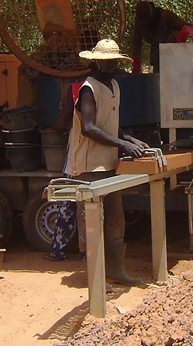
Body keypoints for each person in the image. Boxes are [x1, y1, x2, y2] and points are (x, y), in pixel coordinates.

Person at [62, 38, 149, 284]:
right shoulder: (88, 88)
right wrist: (123, 144)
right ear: (96, 61)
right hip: (89, 167)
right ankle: (96, 280)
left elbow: (109, 126)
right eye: (107, 61)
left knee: (115, 220)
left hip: (109, 165)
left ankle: (115, 271)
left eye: (114, 61)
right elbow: (89, 128)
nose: (111, 66)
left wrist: (129, 138)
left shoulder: (113, 86)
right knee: (91, 223)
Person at [131, 1, 193, 74]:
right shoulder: (139, 23)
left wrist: (183, 35)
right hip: (158, 60)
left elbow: (190, 27)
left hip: (174, 56)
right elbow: (136, 44)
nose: (145, 23)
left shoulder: (165, 16)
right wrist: (136, 66)